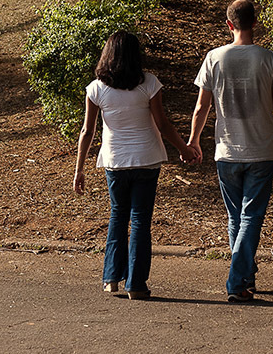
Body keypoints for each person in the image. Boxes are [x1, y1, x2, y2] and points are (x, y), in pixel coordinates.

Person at [73, 31, 199, 300]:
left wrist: (79, 169)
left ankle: (111, 278)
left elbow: (87, 130)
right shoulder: (149, 84)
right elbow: (163, 124)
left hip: (115, 161)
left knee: (118, 215)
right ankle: (137, 284)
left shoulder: (96, 88)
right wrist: (184, 150)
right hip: (147, 160)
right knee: (140, 219)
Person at [188, 0, 273, 303]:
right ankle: (236, 281)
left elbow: (201, 107)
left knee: (236, 218)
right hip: (260, 149)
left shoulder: (214, 58)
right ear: (255, 23)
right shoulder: (268, 58)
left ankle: (246, 276)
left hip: (226, 150)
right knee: (251, 217)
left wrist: (193, 140)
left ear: (229, 25)